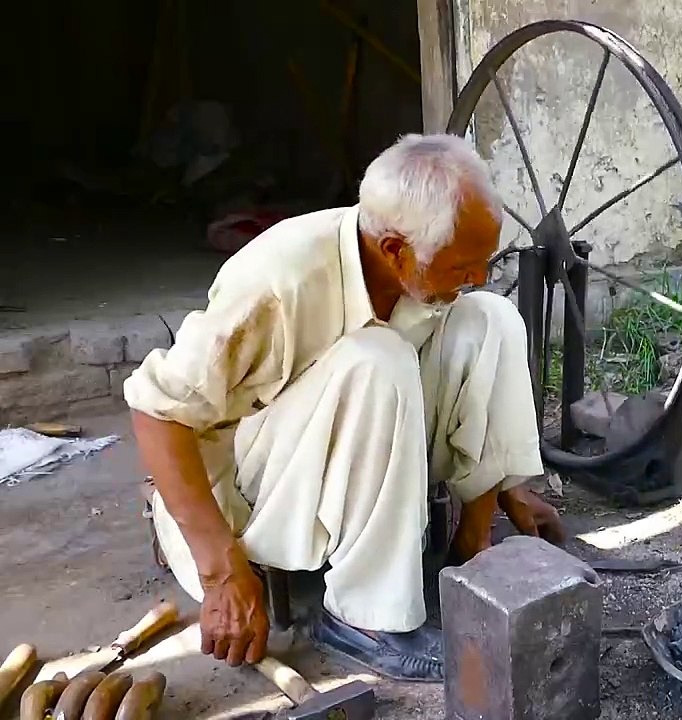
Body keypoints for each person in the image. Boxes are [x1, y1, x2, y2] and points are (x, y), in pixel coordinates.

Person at [124, 133, 566, 682]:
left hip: (341, 447)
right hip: (250, 490)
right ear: (394, 251)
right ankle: (363, 616)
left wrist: (502, 488)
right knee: (378, 358)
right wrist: (221, 572)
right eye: (459, 267)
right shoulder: (279, 279)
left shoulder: (410, 261)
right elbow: (156, 410)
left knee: (491, 317)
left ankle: (470, 549)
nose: (474, 276)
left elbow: (468, 340)